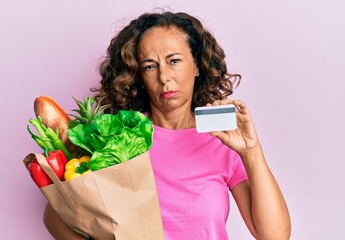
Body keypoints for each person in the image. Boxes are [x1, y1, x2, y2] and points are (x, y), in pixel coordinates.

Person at [44, 11, 291, 239]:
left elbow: (274, 236)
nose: (164, 77)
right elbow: (55, 215)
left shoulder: (222, 137)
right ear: (139, 75)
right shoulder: (118, 136)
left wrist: (251, 152)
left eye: (174, 61)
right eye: (150, 66)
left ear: (197, 65)